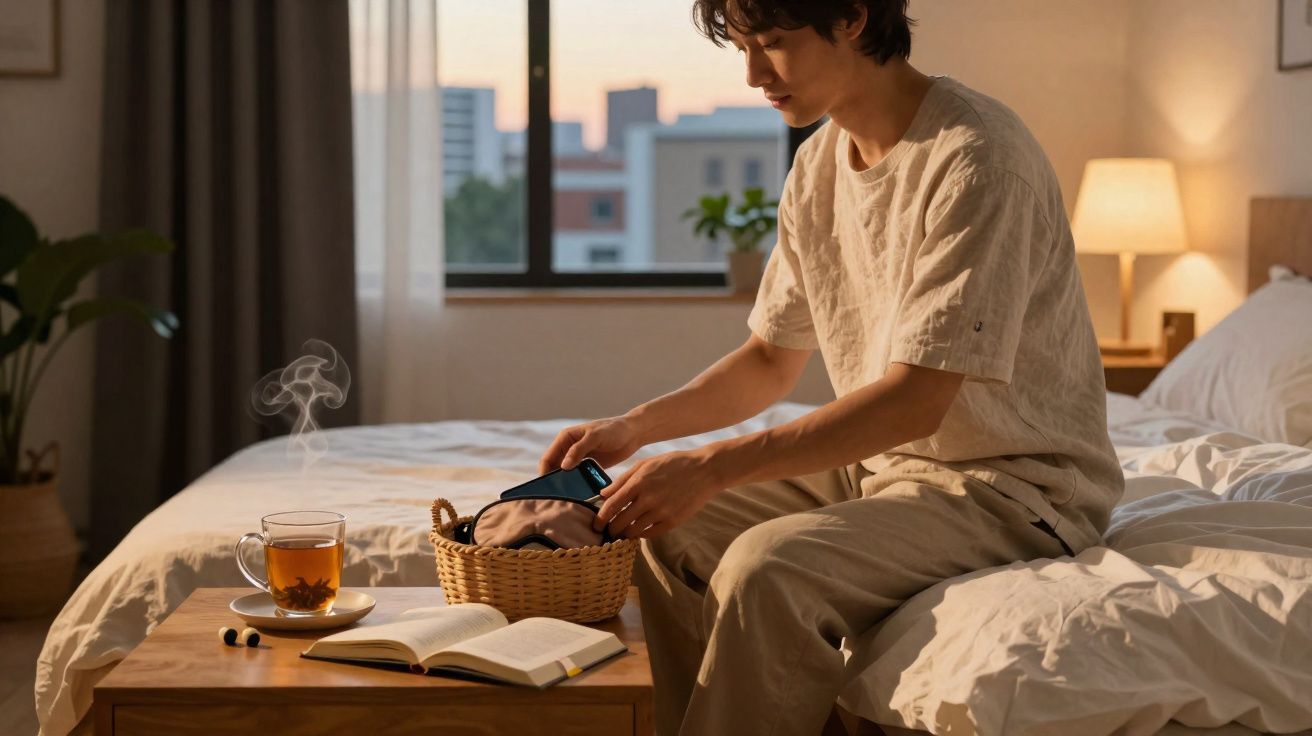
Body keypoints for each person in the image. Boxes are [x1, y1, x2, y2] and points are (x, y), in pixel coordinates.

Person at [537, 1, 1124, 733]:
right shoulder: (819, 164)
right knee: (662, 528)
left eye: (774, 44)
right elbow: (767, 360)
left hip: (1015, 490)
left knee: (767, 570)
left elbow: (914, 403)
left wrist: (710, 465)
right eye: (744, 48)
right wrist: (636, 427)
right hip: (892, 469)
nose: (753, 74)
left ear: (851, 17)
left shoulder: (978, 158)